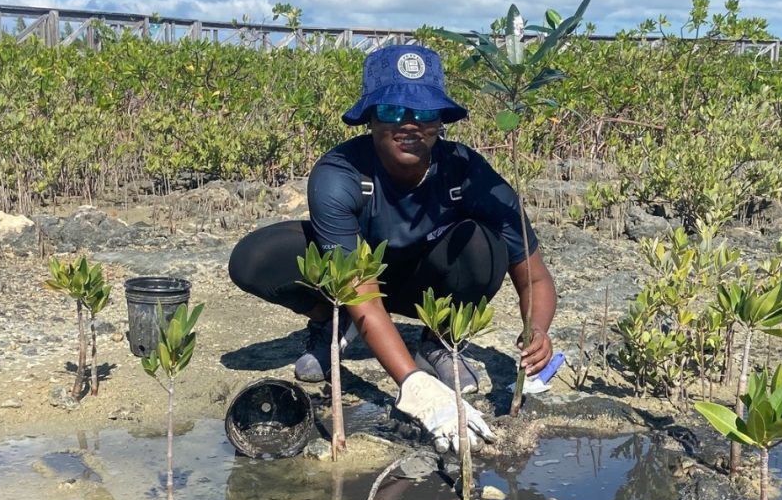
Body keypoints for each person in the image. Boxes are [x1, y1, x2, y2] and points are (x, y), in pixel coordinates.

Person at [228, 44, 557, 454]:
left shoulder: (468, 172)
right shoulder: (339, 175)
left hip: (426, 283)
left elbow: (536, 277)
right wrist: (414, 386)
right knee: (253, 259)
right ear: (368, 118)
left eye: (423, 113)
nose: (408, 125)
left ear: (440, 122)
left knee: (480, 242)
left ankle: (440, 341)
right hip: (357, 283)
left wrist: (537, 331)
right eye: (390, 112)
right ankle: (334, 322)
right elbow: (360, 290)